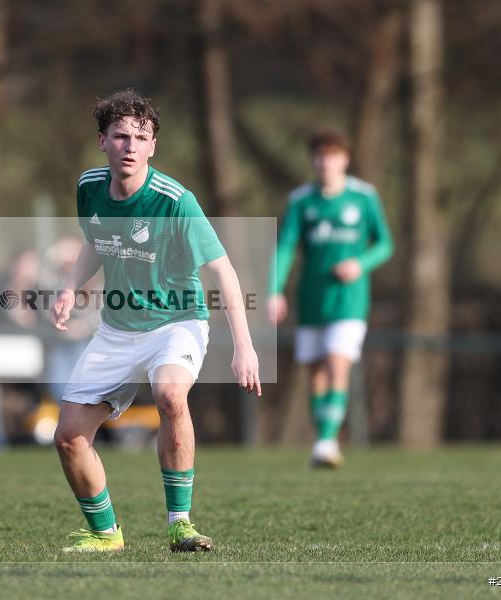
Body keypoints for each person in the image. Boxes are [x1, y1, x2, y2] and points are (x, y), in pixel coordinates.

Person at [51, 89, 261, 553]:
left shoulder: (174, 201)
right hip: (117, 328)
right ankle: (106, 535)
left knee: (169, 394)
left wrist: (244, 347)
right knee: (67, 437)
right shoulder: (89, 187)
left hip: (177, 321)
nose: (130, 146)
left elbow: (223, 272)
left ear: (153, 146)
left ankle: (180, 523)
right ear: (102, 141)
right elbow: (97, 243)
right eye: (120, 136)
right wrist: (71, 286)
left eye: (140, 137)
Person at [267, 129, 393, 468]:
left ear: (345, 159)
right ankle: (324, 438)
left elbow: (384, 244)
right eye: (320, 155)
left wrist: (360, 263)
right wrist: (275, 290)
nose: (326, 162)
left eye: (333, 155)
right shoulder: (301, 201)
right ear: (313, 160)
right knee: (316, 372)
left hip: (350, 300)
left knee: (338, 362)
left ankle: (325, 440)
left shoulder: (364, 197)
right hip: (311, 298)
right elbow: (285, 247)